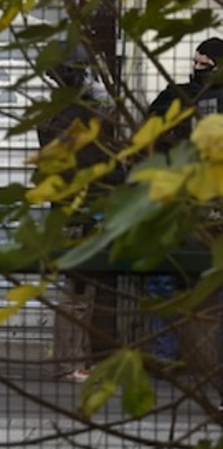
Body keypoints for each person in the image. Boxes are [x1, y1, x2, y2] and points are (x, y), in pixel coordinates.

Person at [36, 43, 125, 382]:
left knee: (83, 291)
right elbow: (84, 162)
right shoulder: (66, 115)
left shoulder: (61, 111)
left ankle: (77, 360)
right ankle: (66, 363)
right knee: (75, 292)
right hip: (76, 207)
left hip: (80, 206)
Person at [145, 36, 223, 364]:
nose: (197, 69)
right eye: (196, 62)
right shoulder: (177, 95)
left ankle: (172, 356)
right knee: (164, 276)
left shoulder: (181, 96)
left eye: (204, 64)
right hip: (183, 200)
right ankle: (166, 356)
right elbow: (151, 129)